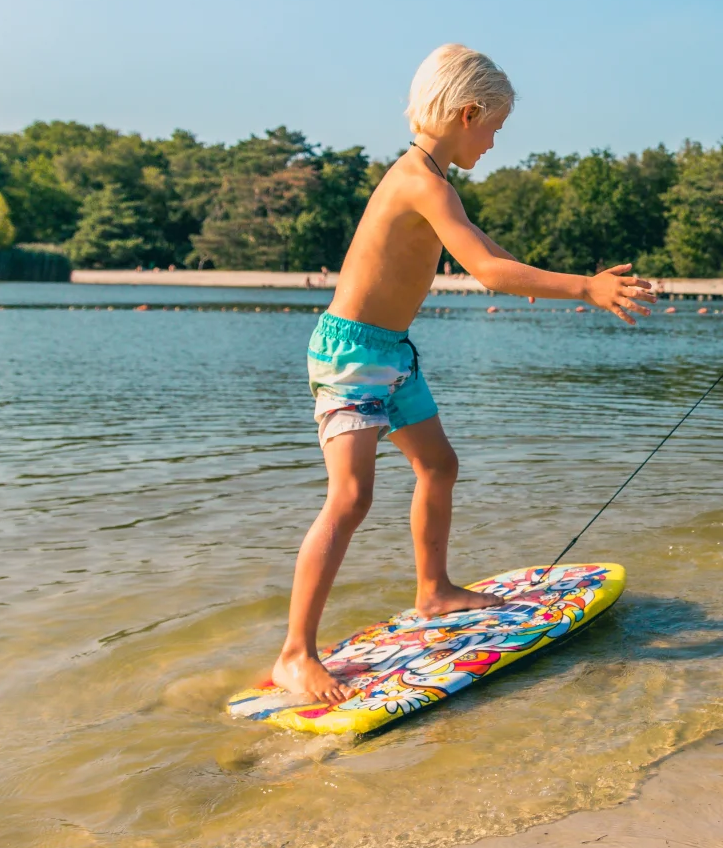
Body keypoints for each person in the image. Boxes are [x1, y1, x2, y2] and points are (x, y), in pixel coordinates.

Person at [270, 44, 653, 703]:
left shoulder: (434, 180)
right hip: (348, 354)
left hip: (392, 351)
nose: (495, 141)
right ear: (467, 112)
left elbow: (487, 250)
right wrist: (583, 289)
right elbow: (482, 270)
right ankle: (294, 654)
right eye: (494, 127)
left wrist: (538, 279)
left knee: (438, 466)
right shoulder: (419, 180)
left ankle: (433, 589)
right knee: (351, 497)